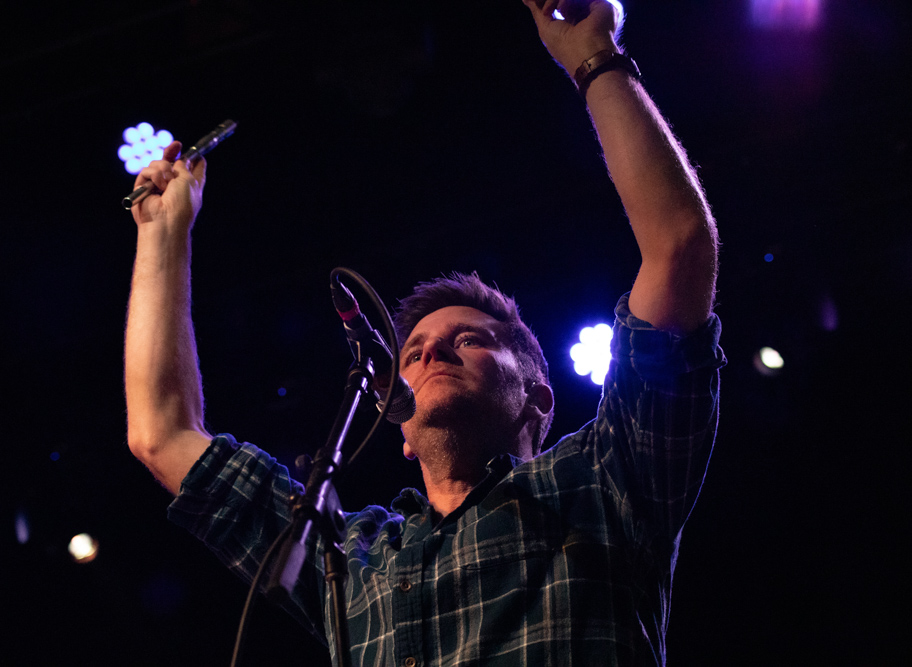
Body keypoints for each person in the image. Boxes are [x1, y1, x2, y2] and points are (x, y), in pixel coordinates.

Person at [124, 1, 725, 664]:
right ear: (400, 431)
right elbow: (162, 433)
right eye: (410, 352)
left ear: (539, 397)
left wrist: (594, 58)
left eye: (470, 338)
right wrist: (162, 231)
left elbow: (678, 245)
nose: (431, 349)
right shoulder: (347, 558)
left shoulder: (605, 479)